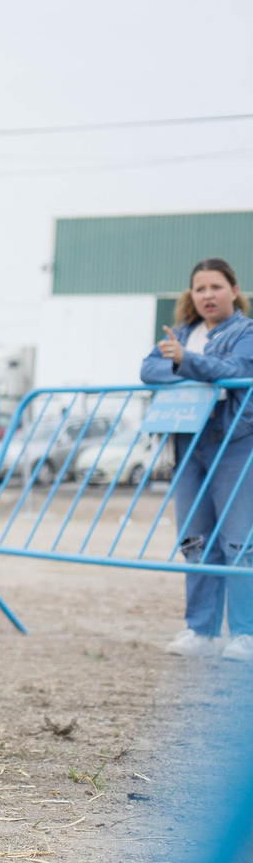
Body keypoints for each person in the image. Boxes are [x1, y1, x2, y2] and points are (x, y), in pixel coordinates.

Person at [142, 258, 253, 662]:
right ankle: (201, 629)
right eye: (200, 288)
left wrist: (184, 361)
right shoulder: (184, 332)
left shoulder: (246, 332)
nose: (208, 295)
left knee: (240, 541)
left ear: (234, 290)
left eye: (216, 287)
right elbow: (149, 369)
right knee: (195, 539)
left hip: (235, 443)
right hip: (188, 441)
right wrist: (189, 364)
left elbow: (235, 368)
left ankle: (245, 633)